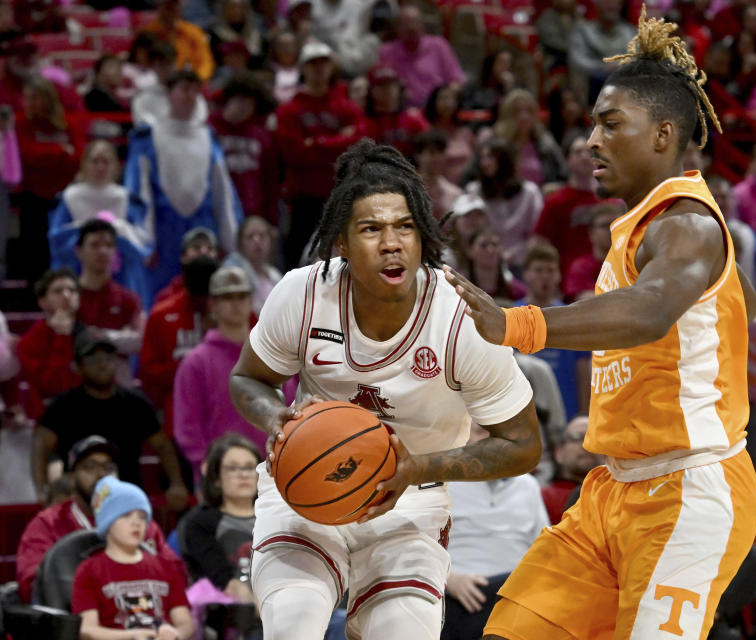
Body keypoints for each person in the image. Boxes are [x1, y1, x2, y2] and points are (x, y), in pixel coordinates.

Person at [443, 10, 756, 638]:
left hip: (687, 489)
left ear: (664, 134)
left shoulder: (688, 224)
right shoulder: (660, 227)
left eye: (611, 124)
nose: (591, 141)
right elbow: (740, 299)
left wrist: (517, 325)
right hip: (612, 488)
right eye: (593, 125)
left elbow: (647, 312)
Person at [228, 140, 540, 640]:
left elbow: (524, 444)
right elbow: (247, 378)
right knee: (294, 625)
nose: (391, 242)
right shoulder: (302, 293)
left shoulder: (461, 319)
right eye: (371, 229)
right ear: (343, 244)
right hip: (306, 493)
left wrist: (420, 467)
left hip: (410, 502)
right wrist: (274, 418)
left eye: (404, 227)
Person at [125, 69, 243, 302]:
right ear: (169, 94)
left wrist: (230, 240)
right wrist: (145, 241)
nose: (189, 96)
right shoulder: (149, 137)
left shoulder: (208, 137)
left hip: (203, 229)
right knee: (162, 298)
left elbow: (223, 194)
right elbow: (141, 192)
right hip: (163, 231)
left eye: (194, 90)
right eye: (183, 89)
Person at [33, 330, 189, 506]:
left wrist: (177, 483)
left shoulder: (136, 403)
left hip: (127, 499)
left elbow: (162, 445)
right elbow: (41, 445)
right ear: (77, 366)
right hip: (79, 500)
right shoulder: (63, 405)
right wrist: (41, 488)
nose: (102, 365)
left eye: (108, 357)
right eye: (92, 359)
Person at [16, 435, 181, 603]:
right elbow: (33, 585)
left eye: (108, 467)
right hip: (71, 620)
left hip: (136, 614)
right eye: (89, 467)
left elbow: (174, 575)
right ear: (72, 477)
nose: (101, 474)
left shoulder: (138, 521)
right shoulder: (47, 523)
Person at [174, 266, 292, 484]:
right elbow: (187, 427)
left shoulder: (272, 355)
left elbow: (292, 409)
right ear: (213, 305)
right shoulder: (195, 362)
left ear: (251, 300)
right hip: (219, 479)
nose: (236, 303)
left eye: (242, 295)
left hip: (274, 473)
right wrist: (207, 470)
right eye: (227, 297)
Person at [442, 421, 550, 640]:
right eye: (481, 431)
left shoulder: (528, 485)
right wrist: (447, 580)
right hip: (457, 594)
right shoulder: (442, 482)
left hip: (516, 592)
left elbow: (545, 551)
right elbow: (418, 548)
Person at [275, 41, 368, 268]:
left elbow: (358, 145)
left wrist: (314, 143)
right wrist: (336, 141)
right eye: (312, 64)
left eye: (323, 63)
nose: (318, 69)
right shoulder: (290, 110)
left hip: (342, 195)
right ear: (303, 69)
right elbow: (293, 153)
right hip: (304, 200)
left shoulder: (346, 107)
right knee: (298, 263)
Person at [73, 476, 194, 638]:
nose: (136, 522)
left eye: (142, 517)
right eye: (126, 515)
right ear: (107, 522)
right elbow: (86, 629)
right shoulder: (88, 571)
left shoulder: (165, 566)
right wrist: (130, 636)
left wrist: (174, 633)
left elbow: (185, 622)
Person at [47, 140, 153, 304]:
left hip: (121, 275)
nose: (100, 167)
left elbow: (142, 242)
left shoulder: (126, 198)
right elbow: (57, 241)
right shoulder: (69, 197)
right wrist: (86, 232)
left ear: (115, 166)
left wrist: (120, 230)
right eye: (95, 161)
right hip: (79, 271)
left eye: (106, 161)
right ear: (85, 164)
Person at [140, 251, 220, 436]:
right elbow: (148, 372)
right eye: (198, 298)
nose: (204, 303)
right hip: (179, 414)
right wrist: (189, 367)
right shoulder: (162, 315)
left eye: (209, 297)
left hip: (225, 412)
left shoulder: (236, 315)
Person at [178, 434, 261, 605]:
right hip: (234, 611)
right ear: (216, 478)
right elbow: (226, 582)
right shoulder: (199, 523)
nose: (243, 475)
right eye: (233, 468)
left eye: (250, 467)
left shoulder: (277, 517)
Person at [14, 75, 81, 282]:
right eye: (27, 98)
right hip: (33, 197)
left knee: (66, 249)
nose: (30, 104)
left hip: (65, 198)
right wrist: (60, 152)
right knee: (34, 251)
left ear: (48, 98)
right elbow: (27, 155)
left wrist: (48, 155)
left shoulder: (67, 122)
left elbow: (78, 156)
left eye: (35, 98)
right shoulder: (20, 123)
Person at [517, 244, 590, 421]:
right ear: (526, 274)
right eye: (538, 270)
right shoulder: (512, 314)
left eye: (550, 270)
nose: (545, 277)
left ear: (558, 275)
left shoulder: (571, 317)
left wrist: (584, 413)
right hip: (524, 410)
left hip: (567, 409)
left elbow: (582, 371)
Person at [70, 220, 146, 385]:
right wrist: (120, 338)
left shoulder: (128, 299)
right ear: (79, 251)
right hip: (77, 387)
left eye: (109, 245)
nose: (103, 251)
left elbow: (140, 340)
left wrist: (98, 335)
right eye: (95, 245)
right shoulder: (68, 297)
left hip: (118, 387)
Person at [209, 73, 281, 227]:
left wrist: (271, 222)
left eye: (250, 104)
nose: (244, 108)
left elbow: (270, 183)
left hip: (251, 212)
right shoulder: (210, 130)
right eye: (240, 101)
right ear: (228, 100)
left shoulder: (261, 137)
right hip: (216, 210)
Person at [464, 138, 543, 271]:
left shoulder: (530, 193)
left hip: (521, 262)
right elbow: (469, 233)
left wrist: (515, 254)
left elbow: (536, 235)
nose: (484, 163)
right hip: (484, 262)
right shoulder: (474, 191)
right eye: (482, 158)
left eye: (490, 157)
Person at [15, 268, 81, 414]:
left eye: (72, 290)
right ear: (43, 302)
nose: (66, 295)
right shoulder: (28, 343)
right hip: (50, 419)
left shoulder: (91, 337)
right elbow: (53, 387)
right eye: (58, 291)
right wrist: (62, 338)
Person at [532, 135, 599, 278]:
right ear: (568, 160)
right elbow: (540, 244)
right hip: (567, 279)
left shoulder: (610, 199)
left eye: (589, 152)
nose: (585, 157)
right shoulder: (556, 201)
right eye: (578, 152)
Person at [377, 5, 465, 109]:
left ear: (422, 25)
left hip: (435, 111)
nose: (411, 28)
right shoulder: (387, 51)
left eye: (414, 22)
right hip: (402, 111)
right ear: (397, 28)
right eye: (406, 23)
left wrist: (444, 100)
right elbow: (379, 87)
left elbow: (456, 81)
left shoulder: (439, 45)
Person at [486, 88, 566, 186]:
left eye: (529, 111)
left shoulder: (546, 143)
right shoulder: (493, 144)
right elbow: (473, 177)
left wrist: (554, 187)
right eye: (517, 111)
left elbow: (564, 176)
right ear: (507, 115)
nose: (524, 116)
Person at [540, 415, 602, 524]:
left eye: (593, 437)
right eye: (576, 437)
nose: (585, 444)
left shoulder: (616, 496)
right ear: (559, 453)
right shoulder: (542, 498)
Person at [364, 63, 429, 160]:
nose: (388, 89)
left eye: (392, 84)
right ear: (371, 91)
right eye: (381, 85)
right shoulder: (365, 124)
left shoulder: (413, 119)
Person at [564, 201, 623, 302]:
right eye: (605, 225)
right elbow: (583, 300)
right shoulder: (580, 267)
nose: (611, 230)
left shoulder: (630, 263)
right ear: (591, 233)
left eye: (616, 225)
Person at [222, 216, 283, 314]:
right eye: (250, 236)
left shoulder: (275, 275)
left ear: (271, 241)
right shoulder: (231, 271)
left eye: (262, 235)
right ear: (241, 243)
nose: (257, 240)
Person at [142, 0, 215, 82]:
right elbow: (143, 63)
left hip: (188, 82)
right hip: (156, 81)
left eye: (176, 5)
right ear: (159, 7)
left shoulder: (194, 32)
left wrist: (195, 80)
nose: (172, 9)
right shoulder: (148, 32)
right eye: (168, 6)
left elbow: (206, 63)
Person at [463, 227, 526, 302]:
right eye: (483, 245)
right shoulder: (460, 289)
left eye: (494, 244)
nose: (490, 250)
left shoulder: (517, 292)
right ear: (470, 250)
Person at [414, 128, 463, 222]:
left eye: (441, 152)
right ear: (418, 155)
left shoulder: (455, 194)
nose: (437, 158)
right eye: (432, 152)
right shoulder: (404, 191)